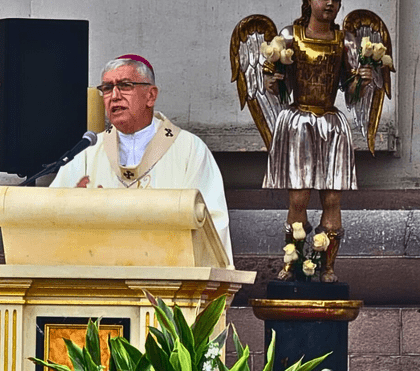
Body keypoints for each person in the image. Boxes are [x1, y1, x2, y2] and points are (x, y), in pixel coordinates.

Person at [50, 54, 233, 267]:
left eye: (125, 85)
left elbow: (211, 224)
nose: (114, 96)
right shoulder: (87, 152)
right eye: (107, 88)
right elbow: (54, 215)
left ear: (151, 96)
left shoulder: (188, 149)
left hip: (168, 284)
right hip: (100, 280)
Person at [262, 0, 373, 282]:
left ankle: (327, 267)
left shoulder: (345, 41)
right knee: (298, 198)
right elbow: (275, 87)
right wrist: (273, 79)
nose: (330, 4)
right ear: (309, 1)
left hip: (330, 124)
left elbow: (351, 91)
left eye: (336, 0)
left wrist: (361, 79)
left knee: (333, 198)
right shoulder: (289, 36)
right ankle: (292, 262)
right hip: (299, 122)